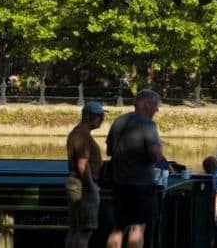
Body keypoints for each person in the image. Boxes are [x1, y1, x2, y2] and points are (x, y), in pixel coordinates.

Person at [106, 89, 164, 248]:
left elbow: (110, 151)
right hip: (141, 184)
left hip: (119, 183)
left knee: (118, 227)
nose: (157, 110)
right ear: (147, 104)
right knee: (138, 227)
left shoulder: (118, 121)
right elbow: (154, 155)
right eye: (156, 106)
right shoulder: (148, 124)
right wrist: (160, 150)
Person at [65, 101, 105, 248]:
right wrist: (91, 187)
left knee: (74, 230)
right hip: (83, 186)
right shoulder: (82, 135)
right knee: (84, 232)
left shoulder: (78, 133)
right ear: (87, 116)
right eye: (99, 116)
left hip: (76, 184)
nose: (102, 120)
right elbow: (82, 165)